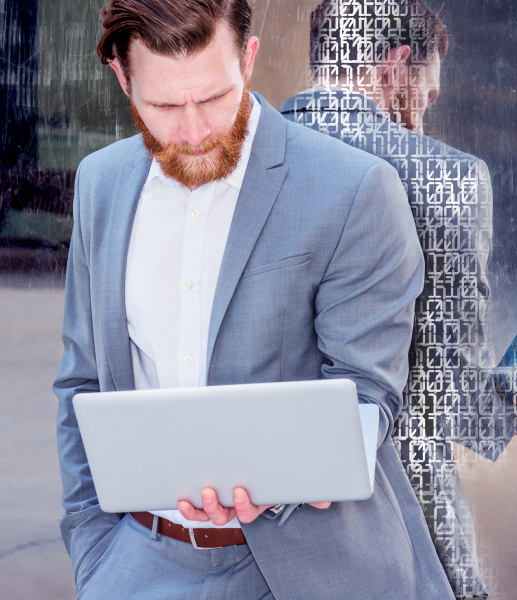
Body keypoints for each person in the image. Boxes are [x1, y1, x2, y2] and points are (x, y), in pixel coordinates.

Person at [52, 0, 459, 598]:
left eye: (214, 97)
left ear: (249, 57)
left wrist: (302, 468)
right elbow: (81, 383)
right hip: (139, 565)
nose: (192, 132)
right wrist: (93, 551)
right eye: (163, 105)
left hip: (312, 570)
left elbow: (366, 392)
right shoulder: (101, 183)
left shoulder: (354, 190)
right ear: (122, 77)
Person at [281, 2, 517, 598]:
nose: (425, 111)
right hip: (401, 520)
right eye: (428, 94)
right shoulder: (442, 175)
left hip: (257, 512)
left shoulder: (239, 159)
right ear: (398, 67)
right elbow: (444, 385)